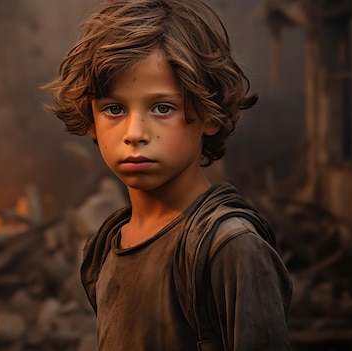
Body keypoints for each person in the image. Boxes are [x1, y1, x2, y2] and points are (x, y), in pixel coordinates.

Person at [43, 0, 292, 350]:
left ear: (210, 114)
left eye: (162, 108)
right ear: (91, 122)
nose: (135, 133)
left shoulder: (230, 247)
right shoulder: (105, 246)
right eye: (113, 109)